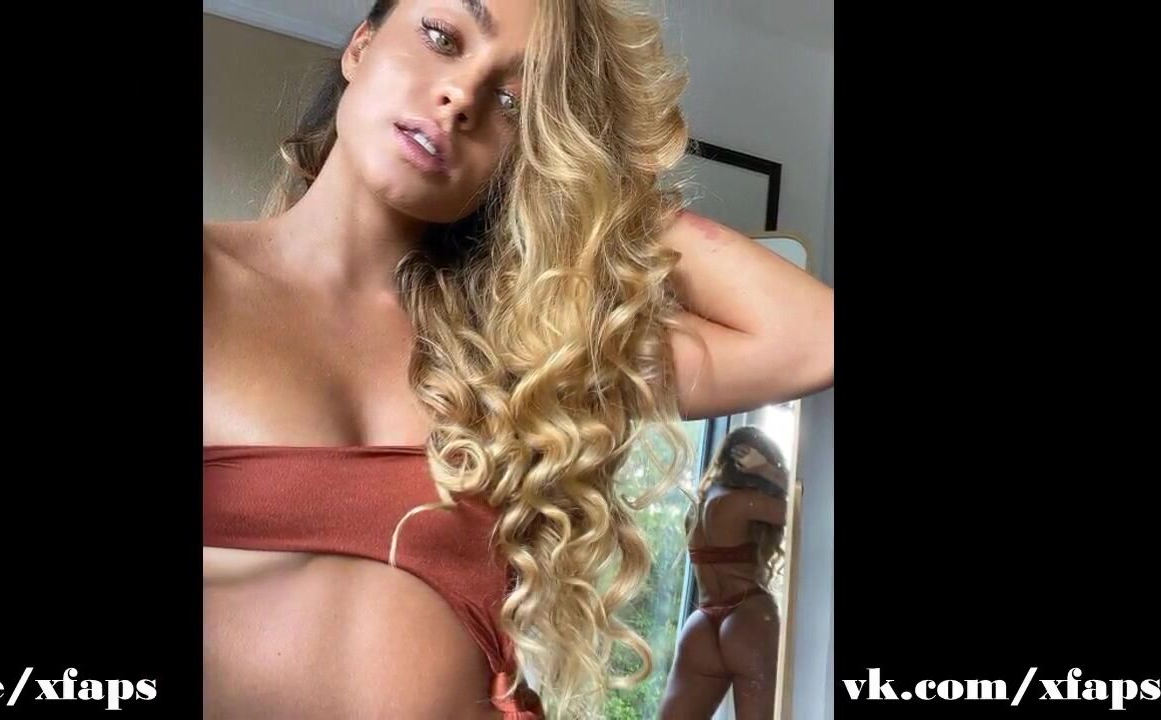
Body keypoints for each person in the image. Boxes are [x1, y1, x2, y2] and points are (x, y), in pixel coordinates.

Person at [202, 1, 833, 718]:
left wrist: (592, 188)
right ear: (361, 46)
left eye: (514, 102)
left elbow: (812, 336)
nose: (460, 95)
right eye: (441, 37)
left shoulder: (529, 346)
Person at [659, 426, 791, 720]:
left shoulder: (697, 507)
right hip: (748, 617)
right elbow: (801, 507)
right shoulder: (743, 503)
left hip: (702, 624)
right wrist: (769, 471)